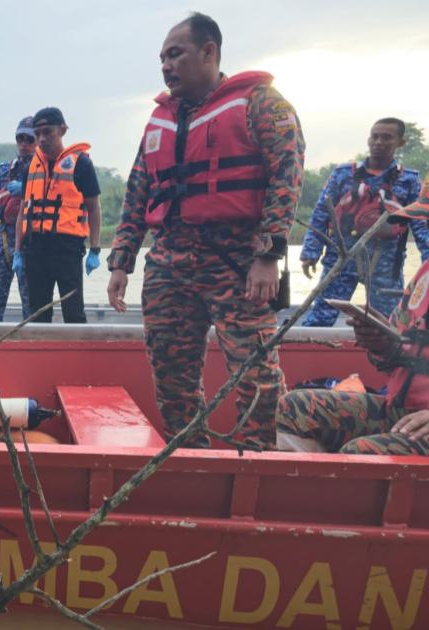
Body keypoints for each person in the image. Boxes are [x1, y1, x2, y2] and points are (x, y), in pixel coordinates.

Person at [106, 12, 305, 449]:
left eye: (175, 54)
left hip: (237, 262)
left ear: (210, 52)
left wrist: (269, 256)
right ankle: (189, 455)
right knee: (171, 372)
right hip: (168, 263)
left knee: (255, 372)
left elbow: (286, 178)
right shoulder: (159, 121)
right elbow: (138, 192)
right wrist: (121, 262)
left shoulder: (262, 104)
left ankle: (260, 461)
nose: (165, 65)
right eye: (161, 57)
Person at [276, 196, 429, 455]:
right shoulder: (424, 275)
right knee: (294, 408)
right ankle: (311, 490)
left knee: (358, 454)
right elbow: (393, 361)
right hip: (403, 412)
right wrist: (383, 343)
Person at [299, 118, 426, 326]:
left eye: (386, 138)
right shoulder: (343, 174)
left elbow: (420, 225)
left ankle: (389, 358)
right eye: (374, 137)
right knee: (320, 318)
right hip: (340, 259)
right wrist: (310, 253)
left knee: (389, 325)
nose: (378, 142)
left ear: (400, 143)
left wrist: (427, 262)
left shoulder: (409, 180)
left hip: (386, 264)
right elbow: (321, 214)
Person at [13, 107, 103, 323]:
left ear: (62, 130)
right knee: (37, 312)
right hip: (35, 248)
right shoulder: (30, 168)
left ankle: (78, 356)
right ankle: (38, 356)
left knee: (73, 311)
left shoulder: (81, 164)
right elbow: (23, 212)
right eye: (38, 134)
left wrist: (95, 248)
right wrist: (17, 251)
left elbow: (93, 207)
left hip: (67, 248)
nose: (42, 139)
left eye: (48, 132)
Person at [0, 118, 34, 322]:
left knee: (31, 303)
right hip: (2, 241)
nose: (24, 143)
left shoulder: (42, 170)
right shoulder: (4, 170)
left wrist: (27, 188)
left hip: (29, 243)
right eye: (20, 138)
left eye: (29, 139)